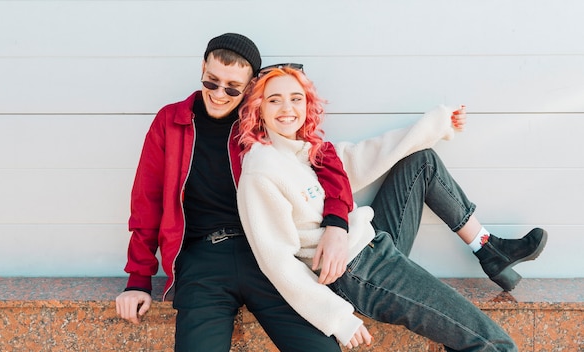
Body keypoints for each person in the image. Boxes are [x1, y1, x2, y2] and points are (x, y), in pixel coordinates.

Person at [237, 65, 547, 350]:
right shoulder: (262, 169)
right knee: (494, 344)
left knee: (420, 161)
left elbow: (373, 154)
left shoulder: (313, 153)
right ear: (259, 108)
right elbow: (277, 262)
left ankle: (488, 248)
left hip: (375, 243)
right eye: (275, 100)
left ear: (307, 105)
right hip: (358, 271)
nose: (288, 109)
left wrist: (438, 123)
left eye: (296, 98)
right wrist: (337, 317)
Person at [115, 33, 357, 351]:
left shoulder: (260, 119)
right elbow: (147, 201)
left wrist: (337, 224)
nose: (218, 94)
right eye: (211, 81)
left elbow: (323, 160)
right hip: (201, 260)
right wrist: (138, 280)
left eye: (232, 87)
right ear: (203, 67)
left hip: (267, 254)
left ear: (250, 84)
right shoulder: (170, 122)